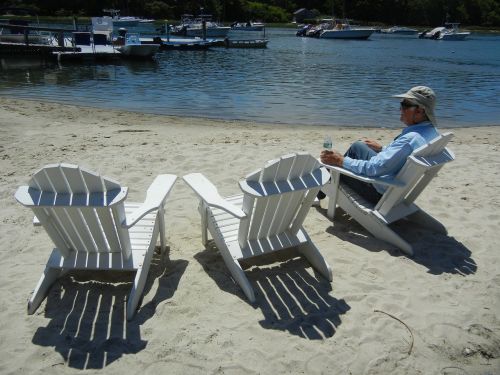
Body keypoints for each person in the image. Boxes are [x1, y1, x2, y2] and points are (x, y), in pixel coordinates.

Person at [320, 86, 440, 204]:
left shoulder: (410, 139)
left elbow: (374, 168)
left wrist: (341, 161)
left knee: (332, 162)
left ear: (420, 111)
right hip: (395, 186)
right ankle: (320, 190)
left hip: (378, 192)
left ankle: (319, 191)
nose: (400, 109)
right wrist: (382, 149)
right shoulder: (431, 132)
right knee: (358, 146)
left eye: (405, 105)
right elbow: (401, 156)